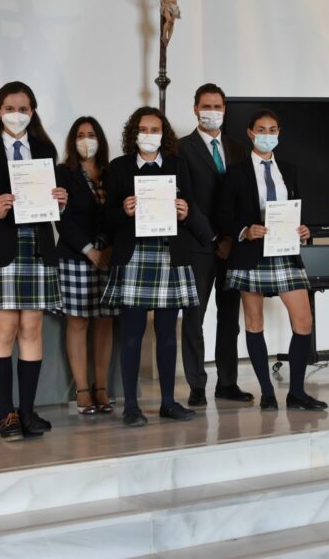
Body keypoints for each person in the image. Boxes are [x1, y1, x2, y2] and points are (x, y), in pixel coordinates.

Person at [0, 81, 67, 441]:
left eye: (24, 108)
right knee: (4, 331)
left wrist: (60, 202)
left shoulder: (44, 149)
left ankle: (27, 410)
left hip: (36, 247)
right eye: (10, 108)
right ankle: (5, 413)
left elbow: (51, 205)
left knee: (31, 330)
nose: (17, 114)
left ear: (32, 112)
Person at [100, 106, 205, 427]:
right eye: (143, 130)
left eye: (155, 129)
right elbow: (104, 218)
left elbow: (189, 206)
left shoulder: (177, 164)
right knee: (131, 334)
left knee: (167, 334)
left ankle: (168, 402)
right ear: (134, 134)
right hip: (133, 255)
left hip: (169, 253)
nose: (149, 135)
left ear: (164, 134)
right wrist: (123, 210)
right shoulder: (118, 168)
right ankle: (131, 405)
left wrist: (186, 212)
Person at [220, 109, 327, 412]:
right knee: (255, 323)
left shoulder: (289, 170)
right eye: (262, 129)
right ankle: (267, 393)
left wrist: (305, 229)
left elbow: (296, 211)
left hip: (284, 252)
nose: (268, 134)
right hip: (251, 253)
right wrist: (244, 230)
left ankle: (296, 393)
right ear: (251, 133)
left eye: (273, 129)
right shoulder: (236, 172)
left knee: (304, 321)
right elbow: (223, 216)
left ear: (279, 133)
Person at [177, 83, 251, 407]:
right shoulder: (181, 149)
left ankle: (227, 383)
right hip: (198, 244)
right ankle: (196, 385)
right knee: (194, 317)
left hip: (233, 246)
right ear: (195, 109)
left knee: (229, 318)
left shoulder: (237, 149)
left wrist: (233, 238)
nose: (213, 112)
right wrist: (212, 237)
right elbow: (186, 200)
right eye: (206, 106)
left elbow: (245, 198)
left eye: (218, 106)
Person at [55, 117, 116, 415]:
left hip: (110, 255)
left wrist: (111, 247)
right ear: (72, 140)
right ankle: (82, 389)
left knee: (105, 321)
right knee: (78, 322)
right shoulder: (62, 173)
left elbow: (121, 213)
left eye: (91, 134)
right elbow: (60, 218)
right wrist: (88, 250)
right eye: (80, 135)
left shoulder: (111, 172)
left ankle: (101, 386)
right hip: (75, 255)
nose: (86, 139)